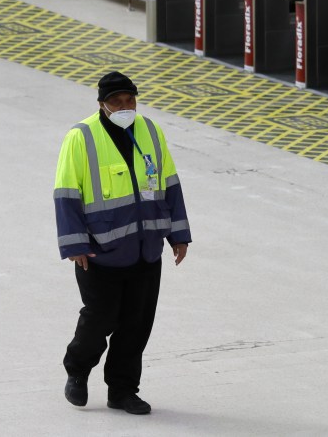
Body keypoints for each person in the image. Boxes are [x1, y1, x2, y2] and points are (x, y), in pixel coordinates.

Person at [54, 71, 191, 415]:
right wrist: (74, 245)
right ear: (102, 104)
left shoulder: (150, 130)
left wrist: (178, 234)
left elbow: (169, 183)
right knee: (100, 319)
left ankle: (123, 390)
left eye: (130, 100)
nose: (125, 107)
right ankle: (77, 370)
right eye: (117, 101)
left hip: (146, 248)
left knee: (136, 324)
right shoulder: (81, 137)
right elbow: (67, 193)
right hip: (100, 251)